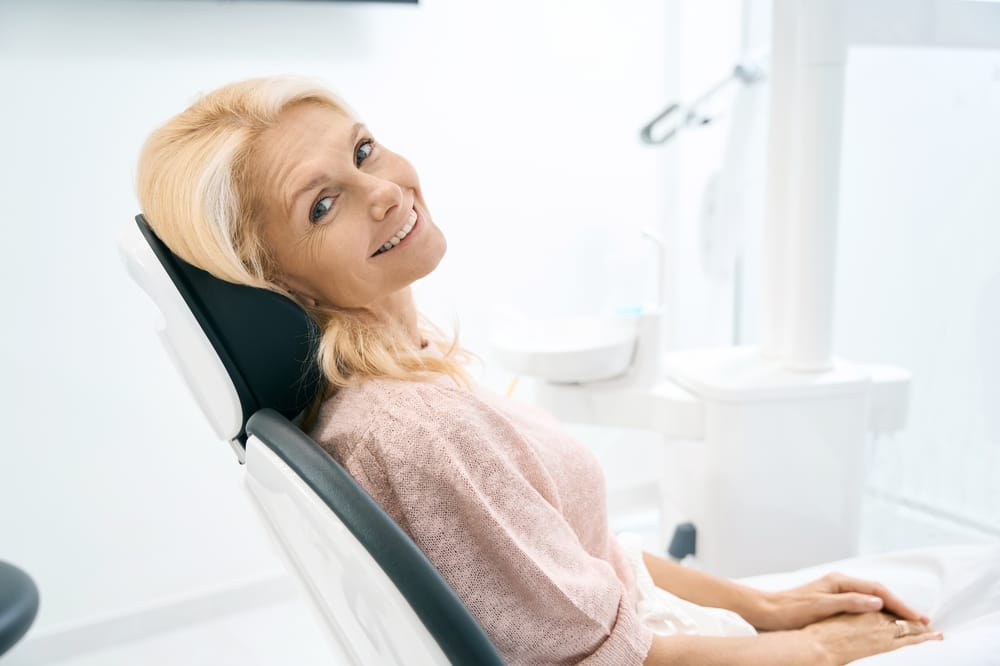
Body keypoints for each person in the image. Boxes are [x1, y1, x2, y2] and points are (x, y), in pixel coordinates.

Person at [136, 76, 996, 665]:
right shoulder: (410, 428)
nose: (386, 190)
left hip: (684, 634)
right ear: (273, 278)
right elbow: (600, 658)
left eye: (364, 151)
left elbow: (591, 570)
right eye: (321, 204)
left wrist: (772, 605)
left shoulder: (408, 376)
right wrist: (805, 649)